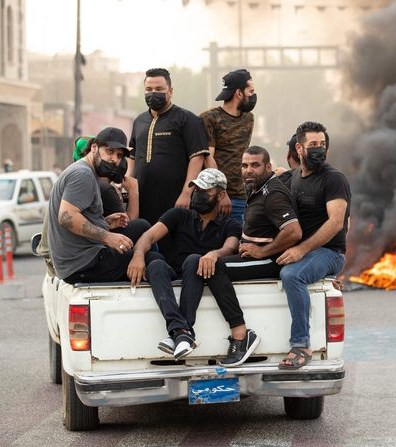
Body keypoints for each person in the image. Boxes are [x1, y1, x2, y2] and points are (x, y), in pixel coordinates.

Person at [175, 146, 302, 366]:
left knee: (217, 268)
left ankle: (241, 335)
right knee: (213, 263)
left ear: (268, 167)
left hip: (271, 260)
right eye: (244, 165)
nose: (248, 170)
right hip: (257, 256)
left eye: (255, 165)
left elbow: (293, 231)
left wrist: (261, 251)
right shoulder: (256, 188)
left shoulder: (272, 193)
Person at [126, 169, 260, 366]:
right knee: (154, 263)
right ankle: (182, 332)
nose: (198, 194)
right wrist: (138, 255)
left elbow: (231, 246)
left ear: (221, 195)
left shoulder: (230, 225)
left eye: (205, 190)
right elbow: (149, 236)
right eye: (196, 189)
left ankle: (181, 331)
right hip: (174, 276)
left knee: (193, 259)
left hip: (202, 277)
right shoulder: (179, 215)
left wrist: (214, 254)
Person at [276, 121, 351, 369]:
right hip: (309, 253)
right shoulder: (294, 177)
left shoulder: (333, 179)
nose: (319, 149)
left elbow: (336, 223)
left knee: (291, 274)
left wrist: (301, 250)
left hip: (330, 252)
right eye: (313, 144)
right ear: (299, 148)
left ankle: (301, 344)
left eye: (322, 144)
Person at [48, 127, 162, 284]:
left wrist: (103, 223)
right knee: (154, 260)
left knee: (141, 225)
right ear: (94, 147)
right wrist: (107, 237)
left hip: (83, 256)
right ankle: (173, 307)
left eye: (119, 155)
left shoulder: (87, 171)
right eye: (109, 151)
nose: (114, 159)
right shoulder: (83, 175)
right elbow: (66, 218)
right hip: (82, 264)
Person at [128, 67, 209, 261]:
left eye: (159, 88)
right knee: (144, 247)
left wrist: (187, 193)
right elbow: (132, 156)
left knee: (173, 249)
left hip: (174, 199)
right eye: (148, 89)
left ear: (170, 91)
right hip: (142, 199)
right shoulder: (139, 121)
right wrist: (127, 185)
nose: (153, 93)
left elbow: (197, 157)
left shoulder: (187, 119)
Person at [200, 69, 256, 222]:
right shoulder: (210, 118)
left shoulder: (249, 119)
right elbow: (207, 158)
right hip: (216, 198)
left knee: (240, 243)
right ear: (239, 93)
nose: (253, 95)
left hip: (242, 196)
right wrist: (221, 192)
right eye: (251, 91)